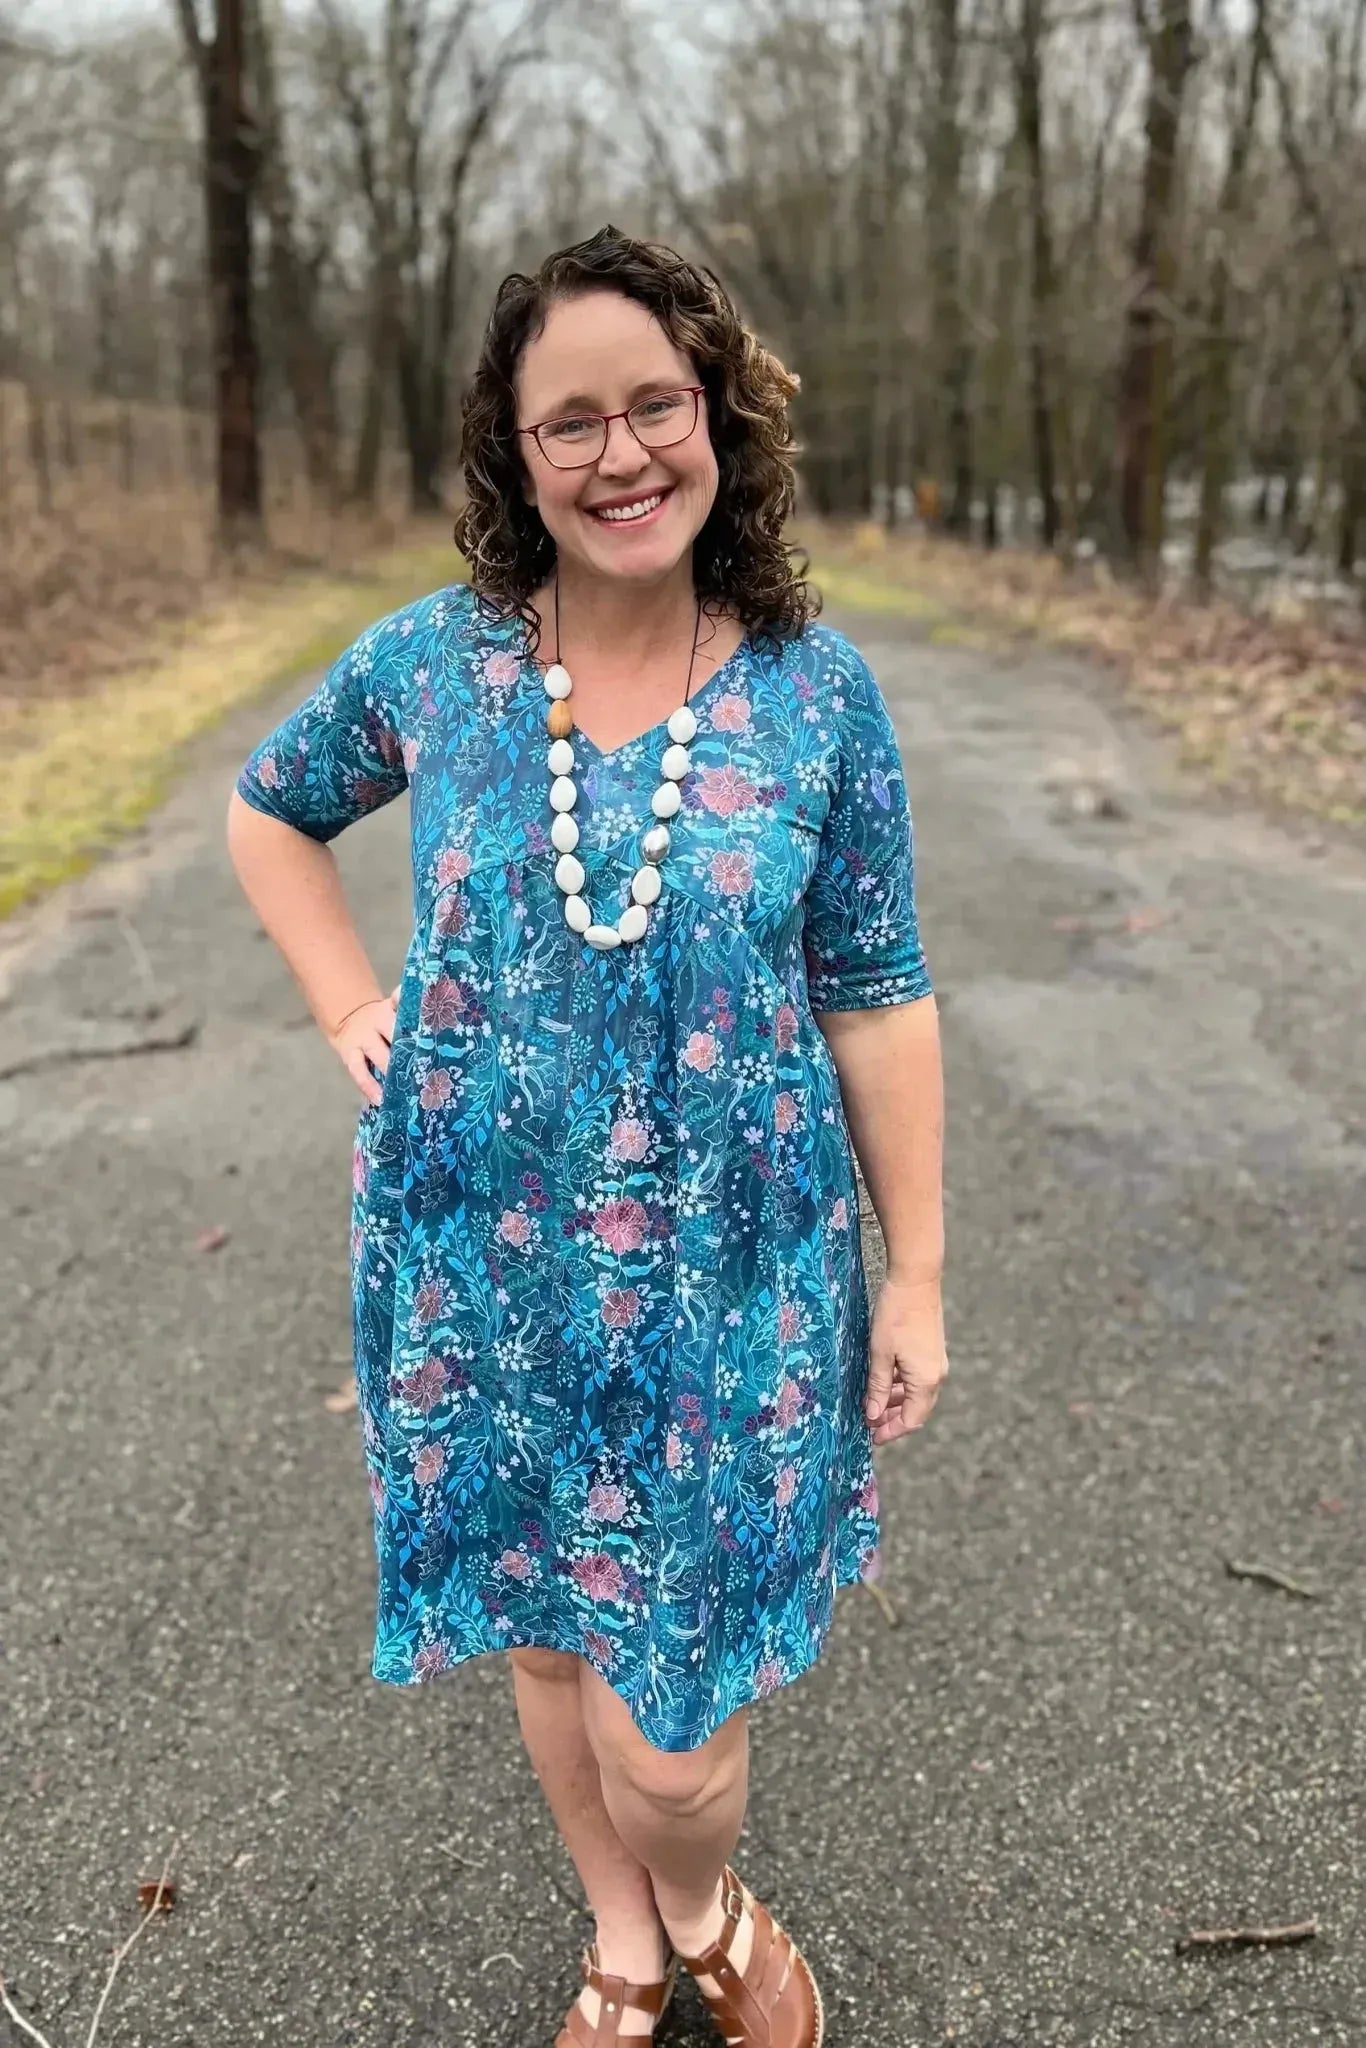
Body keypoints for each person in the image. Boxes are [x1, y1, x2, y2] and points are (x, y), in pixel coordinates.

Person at [227, 223, 947, 2048]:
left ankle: (697, 1888)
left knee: (673, 1739)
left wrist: (918, 1274)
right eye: (571, 421)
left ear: (717, 416)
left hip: (736, 1286)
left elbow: (878, 995)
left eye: (655, 405)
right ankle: (625, 1935)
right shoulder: (438, 664)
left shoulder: (815, 696)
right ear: (515, 450)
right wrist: (346, 1002)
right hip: (486, 1260)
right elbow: (268, 810)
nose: (621, 454)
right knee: (548, 1631)